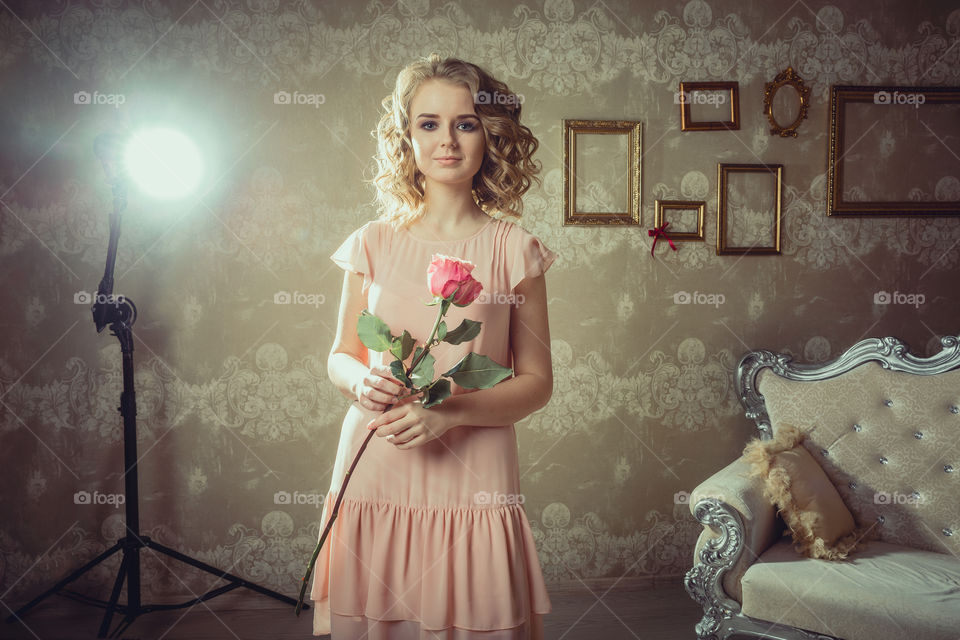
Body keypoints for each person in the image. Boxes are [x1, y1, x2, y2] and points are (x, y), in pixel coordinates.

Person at [310, 52, 556, 640]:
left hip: (475, 474)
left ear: (489, 135)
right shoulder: (371, 242)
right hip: (377, 462)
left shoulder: (515, 250)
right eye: (429, 123)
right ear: (407, 136)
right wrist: (358, 380)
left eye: (465, 123)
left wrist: (448, 414)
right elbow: (341, 355)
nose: (447, 140)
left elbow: (537, 382)